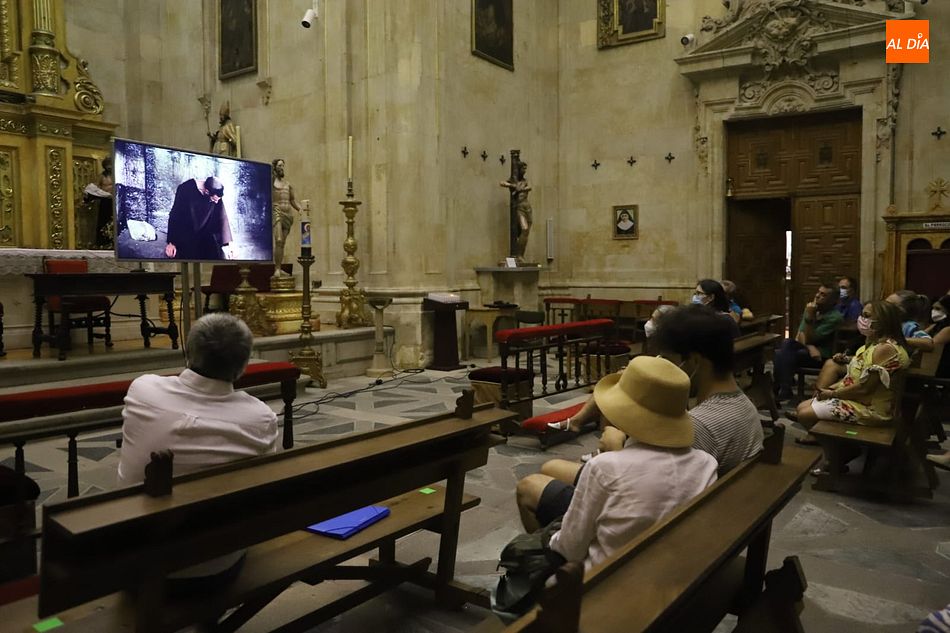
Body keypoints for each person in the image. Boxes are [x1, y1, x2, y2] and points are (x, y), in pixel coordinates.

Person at [118, 313, 278, 587]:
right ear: (243, 366)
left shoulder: (142, 390)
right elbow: (263, 490)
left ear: (189, 352)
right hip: (214, 567)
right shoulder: (260, 418)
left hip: (134, 564)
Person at [515, 356, 717, 571]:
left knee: (529, 508)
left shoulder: (605, 467)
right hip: (670, 566)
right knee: (550, 475)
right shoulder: (706, 463)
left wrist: (550, 537)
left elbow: (569, 549)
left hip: (607, 582)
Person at [545, 304, 763, 476]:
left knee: (546, 474)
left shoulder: (699, 428)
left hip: (672, 524)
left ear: (694, 362)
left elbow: (645, 487)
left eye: (667, 361)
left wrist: (615, 448)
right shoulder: (744, 403)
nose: (662, 368)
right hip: (713, 506)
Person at [794, 301, 910, 462]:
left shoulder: (885, 349)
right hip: (859, 399)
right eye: (862, 314)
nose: (861, 319)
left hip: (872, 408)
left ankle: (839, 454)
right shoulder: (872, 344)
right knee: (801, 407)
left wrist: (833, 393)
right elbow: (856, 374)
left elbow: (865, 389)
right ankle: (840, 449)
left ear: (883, 322)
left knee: (805, 415)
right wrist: (831, 387)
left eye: (867, 316)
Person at [773, 280, 843, 402]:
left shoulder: (834, 317)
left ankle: (779, 388)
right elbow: (800, 335)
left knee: (781, 353)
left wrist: (810, 318)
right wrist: (810, 346)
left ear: (833, 301)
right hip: (809, 351)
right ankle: (784, 388)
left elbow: (809, 337)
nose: (817, 296)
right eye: (818, 292)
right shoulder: (811, 309)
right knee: (785, 345)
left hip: (822, 357)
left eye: (823, 295)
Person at [165, 176, 233, 260]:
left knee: (216, 255)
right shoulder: (185, 189)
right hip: (186, 233)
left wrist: (227, 245)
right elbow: (175, 215)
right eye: (214, 200)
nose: (216, 202)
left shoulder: (215, 193)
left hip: (205, 234)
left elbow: (222, 217)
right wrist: (171, 242)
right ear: (207, 191)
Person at [499, 157, 533, 261]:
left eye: (525, 169)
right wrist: (513, 185)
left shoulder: (525, 181)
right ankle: (518, 254)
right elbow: (502, 183)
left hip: (527, 207)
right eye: (523, 169)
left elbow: (529, 187)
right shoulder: (513, 179)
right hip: (519, 208)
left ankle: (521, 254)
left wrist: (519, 188)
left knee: (526, 232)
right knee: (524, 229)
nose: (524, 171)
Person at [272, 158, 302, 273]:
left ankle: (278, 267)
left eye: (283, 166)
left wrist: (300, 209)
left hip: (288, 216)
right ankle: (277, 269)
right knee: (278, 240)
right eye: (279, 166)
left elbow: (293, 200)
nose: (281, 168)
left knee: (282, 243)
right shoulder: (271, 183)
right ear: (275, 168)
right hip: (277, 213)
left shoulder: (288, 185)